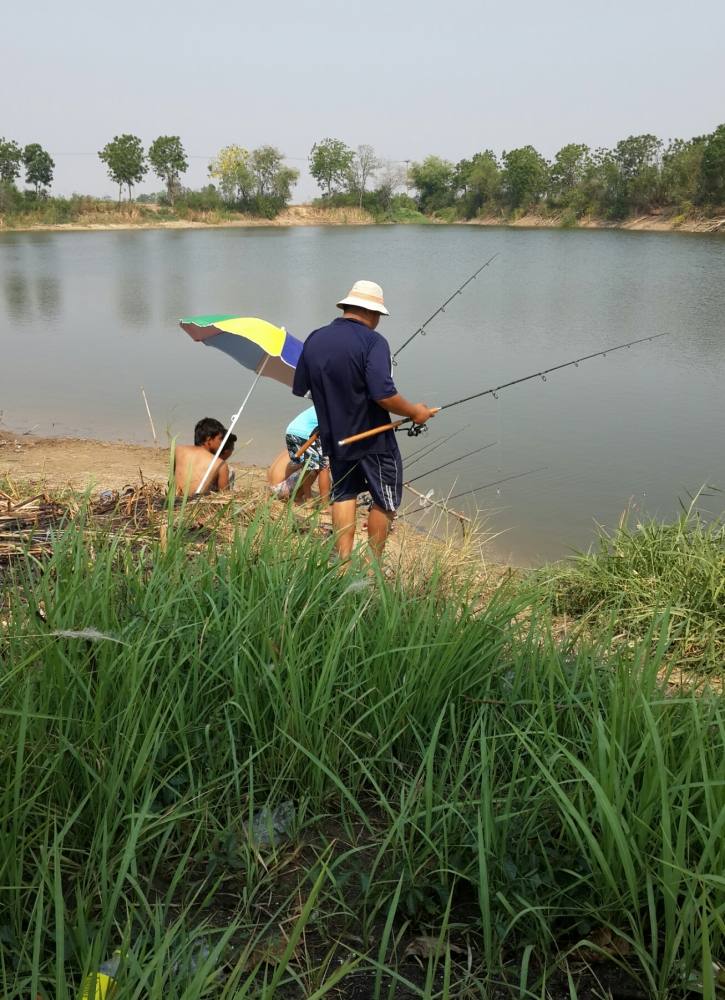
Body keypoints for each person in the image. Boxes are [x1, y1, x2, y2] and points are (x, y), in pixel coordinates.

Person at [292, 279, 435, 560]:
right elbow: (384, 395)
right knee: (386, 500)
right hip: (374, 439)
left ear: (347, 307)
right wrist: (416, 412)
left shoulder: (315, 338)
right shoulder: (374, 342)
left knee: (343, 493)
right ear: (372, 313)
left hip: (335, 436)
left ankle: (343, 561)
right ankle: (373, 568)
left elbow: (301, 387)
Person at [267, 405, 331, 503]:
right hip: (281, 489)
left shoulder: (322, 402)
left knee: (310, 465)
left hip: (272, 487)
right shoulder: (335, 407)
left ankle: (305, 496)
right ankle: (313, 501)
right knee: (319, 468)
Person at [174, 417, 235, 496]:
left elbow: (173, 479)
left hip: (174, 502)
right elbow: (225, 499)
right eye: (220, 439)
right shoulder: (220, 464)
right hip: (195, 506)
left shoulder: (178, 450)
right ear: (209, 439)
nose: (222, 443)